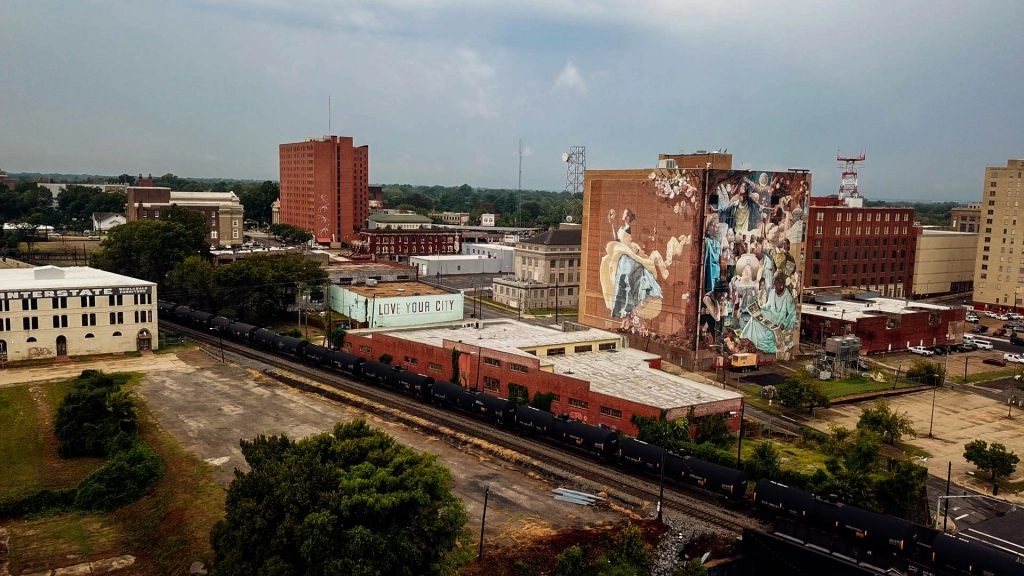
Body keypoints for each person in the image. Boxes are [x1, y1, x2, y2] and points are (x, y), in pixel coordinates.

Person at [740, 275, 796, 355]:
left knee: (766, 326)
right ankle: (747, 339)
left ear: (782, 285)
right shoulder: (772, 292)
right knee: (754, 318)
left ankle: (760, 343)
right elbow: (768, 306)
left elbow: (792, 313)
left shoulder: (788, 296)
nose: (775, 287)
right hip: (771, 314)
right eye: (774, 284)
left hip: (779, 319)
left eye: (776, 285)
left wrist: (784, 324)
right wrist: (760, 307)